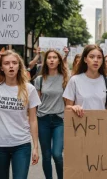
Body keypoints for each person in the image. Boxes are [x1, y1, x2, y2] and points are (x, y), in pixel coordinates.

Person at [0, 50, 41, 179]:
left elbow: (33, 120)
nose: (11, 66)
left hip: (22, 145)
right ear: (1, 68)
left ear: (19, 66)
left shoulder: (29, 89)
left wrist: (35, 147)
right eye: (6, 63)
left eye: (14, 63)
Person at [34, 49, 69, 179]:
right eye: (49, 57)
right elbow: (36, 103)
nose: (52, 60)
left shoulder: (65, 79)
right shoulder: (39, 80)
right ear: (45, 61)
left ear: (59, 60)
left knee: (57, 154)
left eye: (55, 57)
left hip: (59, 120)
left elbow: (68, 101)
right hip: (43, 119)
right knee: (46, 156)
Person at [63, 45, 107, 116]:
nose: (96, 60)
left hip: (101, 125)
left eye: (99, 57)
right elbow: (68, 107)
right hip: (80, 125)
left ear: (102, 60)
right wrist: (73, 107)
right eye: (92, 57)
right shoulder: (74, 80)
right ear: (85, 59)